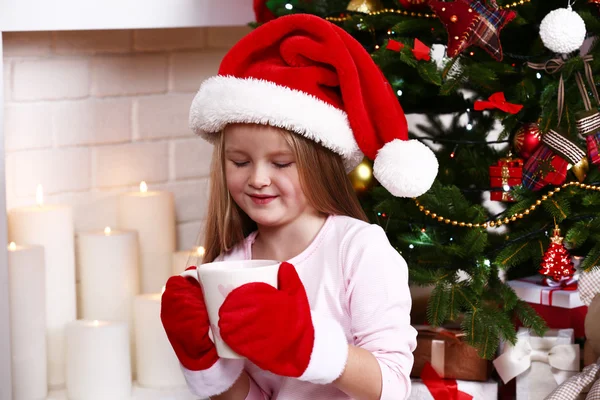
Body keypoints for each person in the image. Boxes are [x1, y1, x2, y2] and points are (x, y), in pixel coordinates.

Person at [160, 13, 438, 400]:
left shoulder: (357, 250)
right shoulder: (226, 269)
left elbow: (391, 386)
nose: (257, 178)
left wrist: (310, 347)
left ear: (319, 163)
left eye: (280, 163)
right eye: (240, 162)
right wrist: (202, 361)